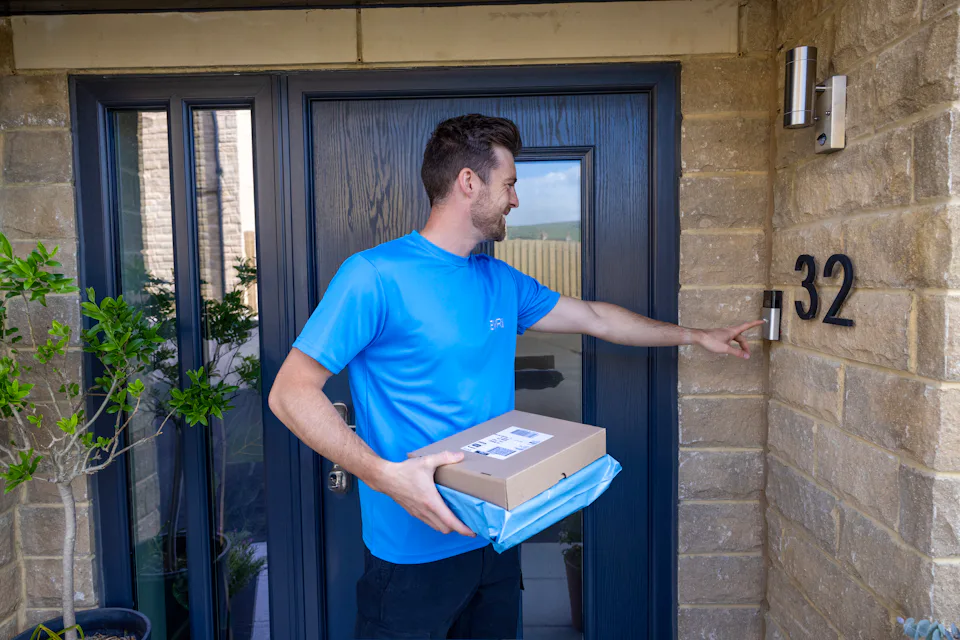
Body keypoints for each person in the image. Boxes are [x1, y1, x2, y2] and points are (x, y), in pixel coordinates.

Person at [268, 114, 762, 639]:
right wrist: (384, 475)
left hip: (494, 539)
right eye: (509, 183)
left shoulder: (499, 279)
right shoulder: (373, 276)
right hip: (411, 555)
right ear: (468, 183)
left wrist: (696, 335)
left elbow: (594, 318)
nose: (516, 199)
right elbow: (290, 394)